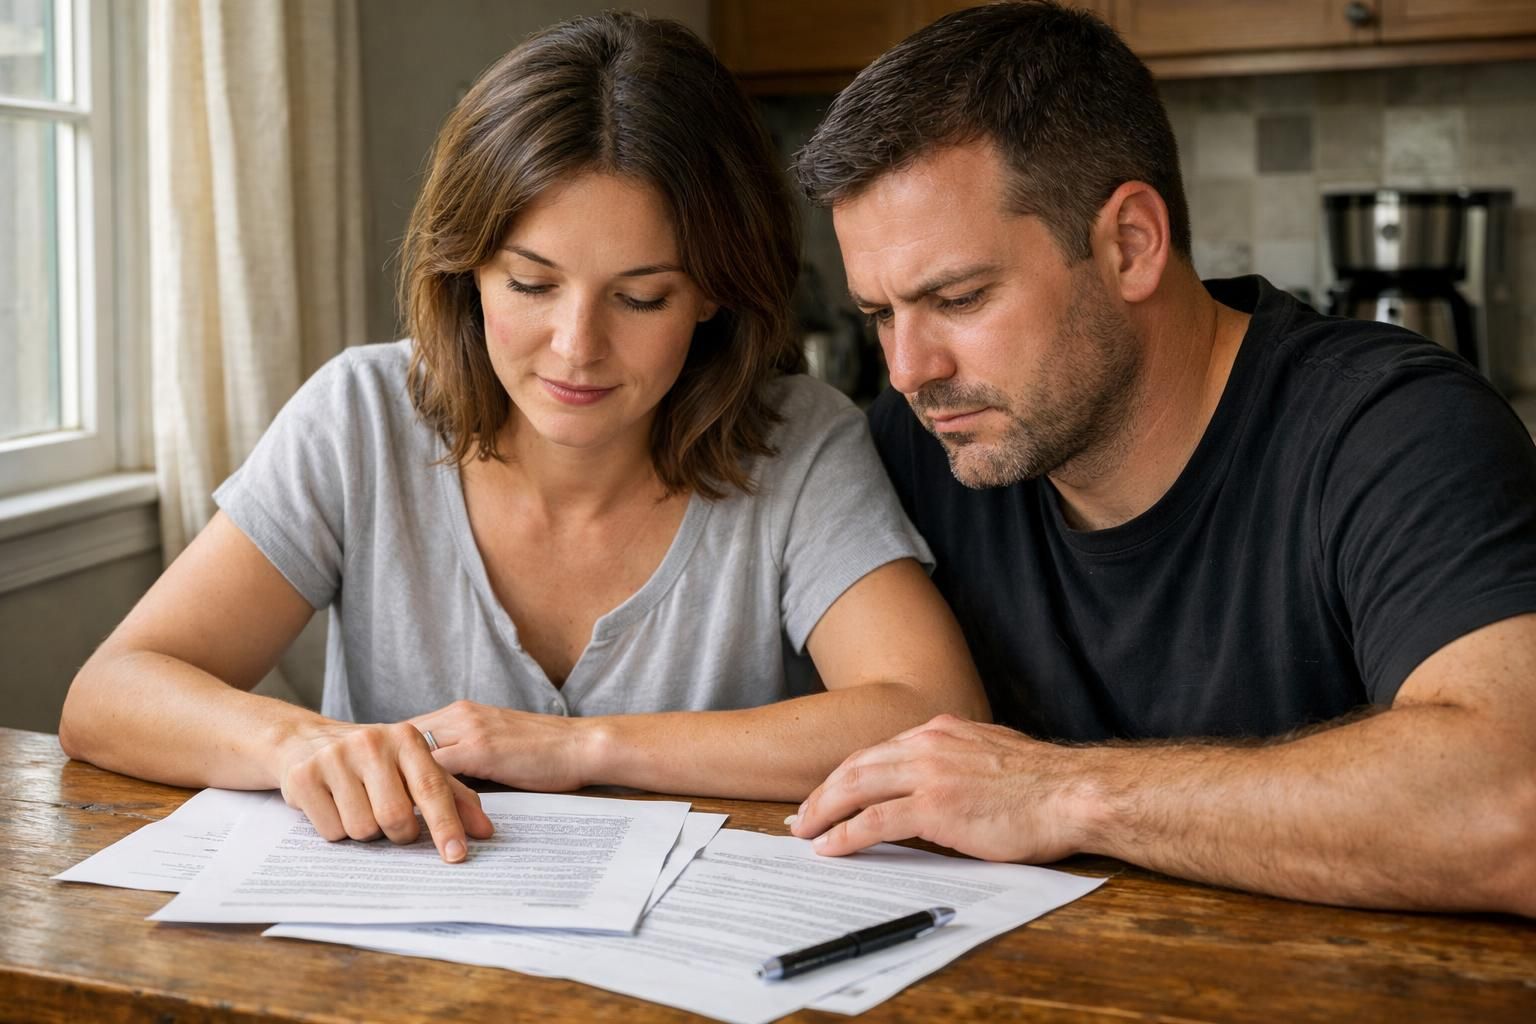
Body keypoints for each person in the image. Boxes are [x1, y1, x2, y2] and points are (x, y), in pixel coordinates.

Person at [59, 13, 987, 866]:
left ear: (712, 293)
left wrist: (579, 748)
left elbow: (930, 712)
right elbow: (111, 694)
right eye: (531, 285)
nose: (576, 349)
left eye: (640, 296)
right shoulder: (361, 415)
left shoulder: (800, 442)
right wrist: (299, 743)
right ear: (468, 272)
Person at [786, 0, 1536, 915]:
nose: (909, 370)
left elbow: (1512, 803)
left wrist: (1061, 793)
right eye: (878, 314)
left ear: (1130, 245)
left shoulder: (1392, 431)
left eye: (961, 297)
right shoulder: (923, 444)